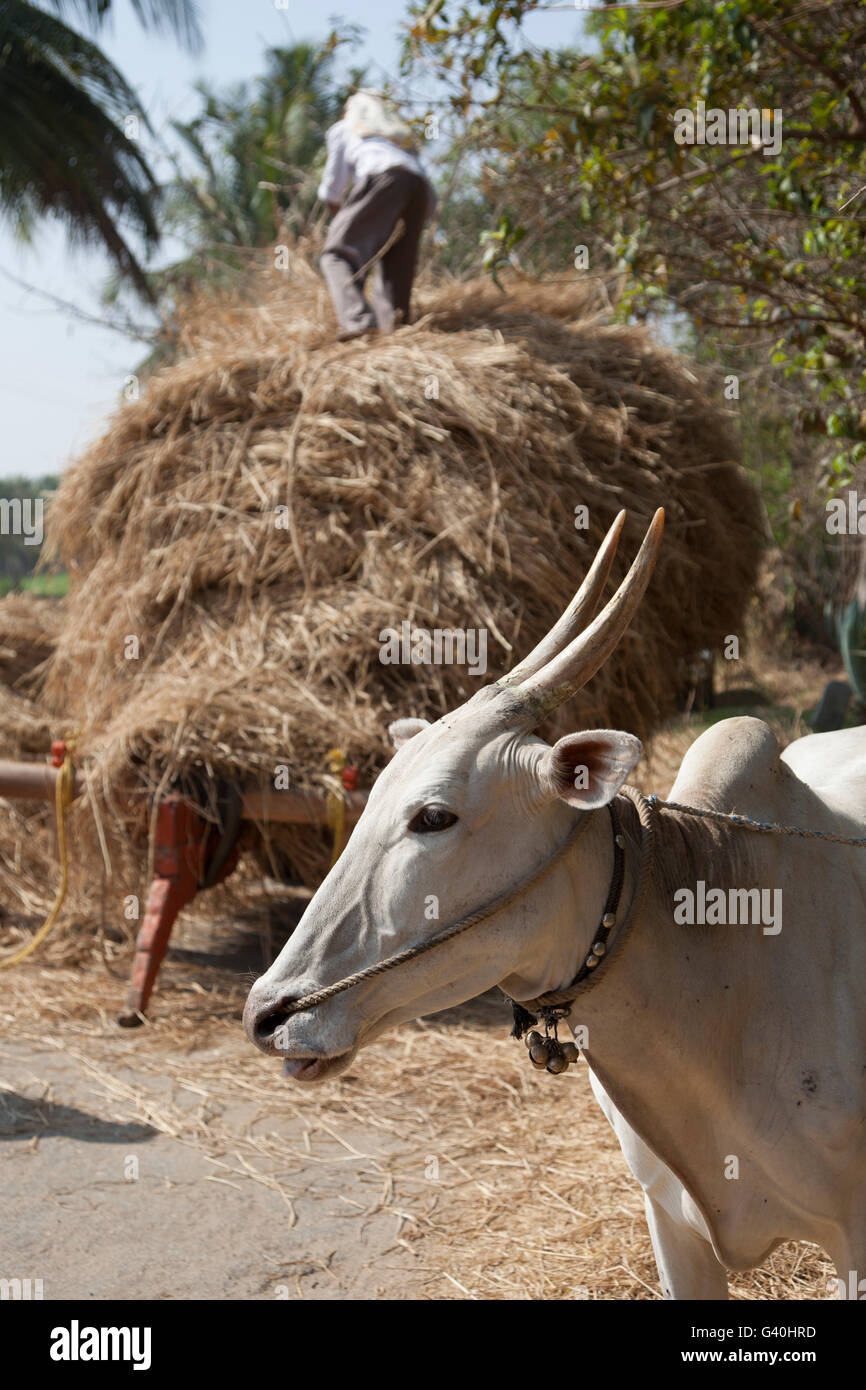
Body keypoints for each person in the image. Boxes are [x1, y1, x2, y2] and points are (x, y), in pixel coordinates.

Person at [317, 90, 437, 341]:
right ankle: (396, 332)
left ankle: (359, 321)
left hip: (383, 179)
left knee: (336, 256)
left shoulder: (344, 128)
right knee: (396, 267)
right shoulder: (399, 139)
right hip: (419, 190)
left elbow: (332, 192)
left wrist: (342, 224)